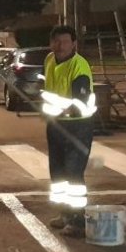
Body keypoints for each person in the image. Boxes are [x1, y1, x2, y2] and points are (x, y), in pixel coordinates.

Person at [40, 25, 97, 238]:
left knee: (73, 173)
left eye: (65, 41)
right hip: (56, 125)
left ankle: (78, 221)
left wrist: (60, 110)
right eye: (56, 41)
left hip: (77, 126)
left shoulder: (79, 66)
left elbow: (79, 102)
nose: (60, 46)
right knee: (58, 173)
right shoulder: (49, 60)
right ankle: (65, 214)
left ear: (74, 44)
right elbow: (48, 89)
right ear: (50, 43)